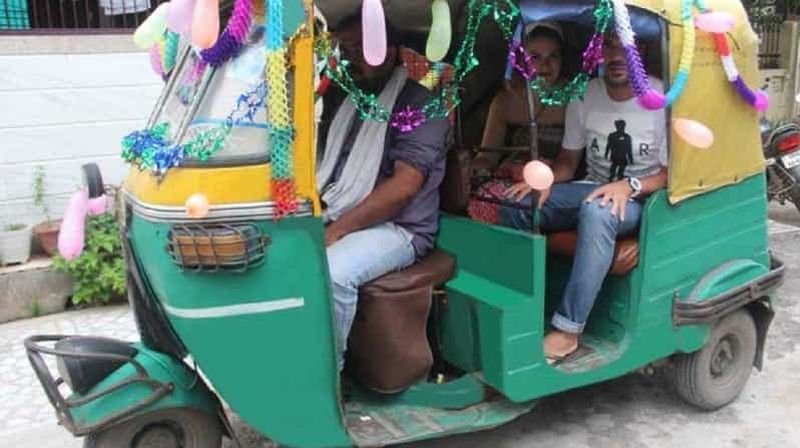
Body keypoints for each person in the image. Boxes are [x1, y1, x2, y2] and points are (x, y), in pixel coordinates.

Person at [500, 33, 668, 362]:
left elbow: (667, 174)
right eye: (609, 47)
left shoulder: (661, 96)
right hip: (591, 186)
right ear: (597, 52)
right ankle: (527, 308)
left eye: (626, 47)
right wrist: (545, 180)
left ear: (641, 51)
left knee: (597, 210)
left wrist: (629, 186)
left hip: (639, 198)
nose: (617, 56)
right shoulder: (585, 94)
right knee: (519, 204)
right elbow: (567, 161)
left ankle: (568, 331)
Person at [317, 14, 450, 371]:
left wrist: (337, 230)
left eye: (361, 48)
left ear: (389, 50)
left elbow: (403, 188)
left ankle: (330, 374)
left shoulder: (420, 101)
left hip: (401, 229)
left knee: (333, 274)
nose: (352, 58)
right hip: (339, 210)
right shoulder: (346, 95)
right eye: (345, 49)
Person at [468, 22, 567, 224]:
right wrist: (473, 169)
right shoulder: (506, 98)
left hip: (557, 181)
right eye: (535, 57)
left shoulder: (575, 98)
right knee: (484, 200)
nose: (545, 66)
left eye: (553, 56)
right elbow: (489, 154)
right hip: (509, 179)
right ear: (521, 60)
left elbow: (572, 161)